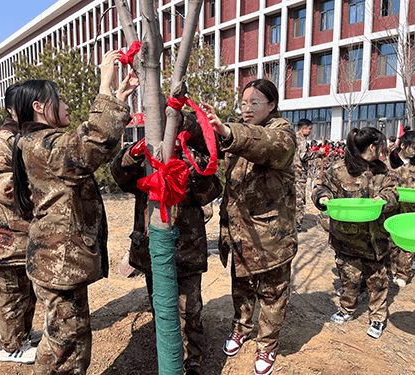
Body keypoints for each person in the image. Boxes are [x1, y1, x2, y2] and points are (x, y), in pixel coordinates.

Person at [11, 50, 138, 374]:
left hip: (58, 260)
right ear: (39, 107)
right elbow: (90, 146)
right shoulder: (42, 143)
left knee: (70, 338)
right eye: (60, 100)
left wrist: (118, 96)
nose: (66, 105)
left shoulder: (41, 140)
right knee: (63, 347)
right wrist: (104, 86)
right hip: (59, 261)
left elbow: (92, 141)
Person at [110, 112, 222, 375]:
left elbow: (212, 191)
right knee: (161, 306)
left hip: (187, 249)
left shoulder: (192, 156)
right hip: (153, 250)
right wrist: (135, 154)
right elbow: (120, 176)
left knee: (189, 311)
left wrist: (190, 165)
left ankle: (192, 361)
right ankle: (168, 354)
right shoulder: (144, 155)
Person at [202, 79, 297, 375]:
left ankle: (267, 345)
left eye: (254, 103)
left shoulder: (282, 134)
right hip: (240, 232)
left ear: (272, 104)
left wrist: (228, 131)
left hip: (271, 236)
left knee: (272, 293)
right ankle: (240, 328)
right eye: (243, 103)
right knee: (241, 286)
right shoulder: (237, 138)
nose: (246, 109)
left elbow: (264, 144)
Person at [0, 82, 42, 364]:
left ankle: (22, 336)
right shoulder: (1, 144)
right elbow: (6, 189)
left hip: (19, 236)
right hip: (4, 238)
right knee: (13, 296)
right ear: (15, 110)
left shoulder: (19, 140)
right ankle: (11, 347)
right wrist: (45, 188)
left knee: (27, 293)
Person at [312, 127, 398, 339]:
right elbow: (320, 188)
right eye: (381, 146)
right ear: (372, 147)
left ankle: (377, 317)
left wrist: (385, 199)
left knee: (377, 280)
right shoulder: (339, 169)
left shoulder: (383, 171)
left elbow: (393, 192)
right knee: (349, 277)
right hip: (345, 237)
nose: (383, 150)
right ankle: (347, 308)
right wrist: (322, 198)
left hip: (375, 240)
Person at [384, 128, 415, 287]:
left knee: (408, 242)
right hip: (390, 209)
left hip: (412, 209)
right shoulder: (387, 164)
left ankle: (403, 273)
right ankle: (389, 270)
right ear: (402, 145)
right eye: (413, 147)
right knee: (389, 240)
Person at [293, 118, 322, 232]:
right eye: (309, 129)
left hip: (292, 172)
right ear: (303, 128)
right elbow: (303, 156)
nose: (310, 131)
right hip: (298, 174)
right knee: (299, 201)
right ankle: (297, 225)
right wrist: (319, 153)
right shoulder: (301, 139)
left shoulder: (293, 137)